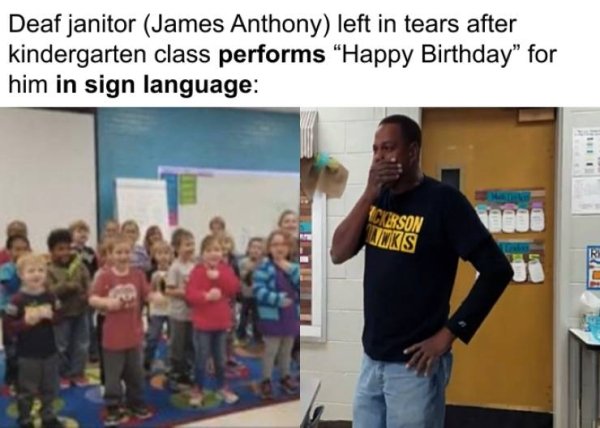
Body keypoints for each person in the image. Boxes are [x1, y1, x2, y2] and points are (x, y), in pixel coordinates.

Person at [329, 115, 513, 428]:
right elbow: (338, 252)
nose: (379, 157)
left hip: (414, 368)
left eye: (388, 148)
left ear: (412, 151)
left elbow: (497, 270)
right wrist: (368, 194)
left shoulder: (444, 202)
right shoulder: (377, 201)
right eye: (375, 150)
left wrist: (450, 333)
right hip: (371, 361)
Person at [89, 234, 163, 426]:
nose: (123, 256)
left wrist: (155, 297)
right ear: (110, 255)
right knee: (113, 376)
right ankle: (113, 405)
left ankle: (136, 402)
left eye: (126, 252)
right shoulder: (105, 276)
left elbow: (146, 293)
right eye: (118, 252)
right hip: (112, 337)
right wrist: (107, 302)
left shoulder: (137, 275)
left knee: (135, 373)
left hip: (134, 334)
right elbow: (92, 298)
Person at [4, 253, 63, 428]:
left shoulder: (50, 296)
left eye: (41, 270)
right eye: (31, 271)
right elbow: (8, 327)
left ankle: (48, 415)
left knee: (50, 387)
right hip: (27, 354)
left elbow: (60, 317)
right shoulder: (17, 300)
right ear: (21, 275)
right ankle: (25, 417)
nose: (36, 274)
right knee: (27, 389)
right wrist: (25, 323)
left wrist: (52, 317)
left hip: (49, 351)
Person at [186, 235, 240, 406]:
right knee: (201, 358)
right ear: (202, 253)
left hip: (221, 323)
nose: (213, 254)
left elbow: (233, 288)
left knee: (220, 358)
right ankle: (198, 388)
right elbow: (190, 295)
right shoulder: (197, 271)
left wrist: (218, 276)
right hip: (202, 324)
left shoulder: (225, 269)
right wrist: (206, 296)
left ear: (222, 252)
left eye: (216, 250)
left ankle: (222, 386)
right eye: (208, 250)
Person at [253, 230, 300, 399]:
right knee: (271, 351)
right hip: (272, 316)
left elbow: (303, 288)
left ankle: (285, 376)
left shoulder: (294, 267)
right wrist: (276, 299)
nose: (279, 248)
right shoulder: (264, 267)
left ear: (288, 247)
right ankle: (265, 379)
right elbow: (258, 291)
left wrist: (290, 270)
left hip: (290, 316)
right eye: (275, 244)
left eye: (283, 244)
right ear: (269, 248)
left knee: (286, 350)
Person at [46, 229, 91, 388]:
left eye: (68, 248)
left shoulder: (79, 265)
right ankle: (63, 374)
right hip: (61, 315)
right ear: (51, 251)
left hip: (81, 311)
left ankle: (77, 373)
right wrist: (68, 286)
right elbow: (49, 291)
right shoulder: (49, 270)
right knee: (61, 345)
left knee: (82, 343)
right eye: (60, 249)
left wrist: (88, 293)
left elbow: (88, 282)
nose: (65, 252)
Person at [0, 235, 31, 394]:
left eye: (24, 249)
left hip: (27, 313)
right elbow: (10, 285)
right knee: (12, 349)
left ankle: (26, 379)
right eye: (17, 249)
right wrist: (21, 270)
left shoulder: (31, 268)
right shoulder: (6, 269)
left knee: (26, 348)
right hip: (9, 313)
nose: (21, 252)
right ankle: (11, 379)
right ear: (9, 251)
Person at [165, 229, 196, 389]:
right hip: (178, 315)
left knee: (191, 343)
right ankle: (175, 372)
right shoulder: (175, 268)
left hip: (193, 314)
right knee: (177, 344)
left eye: (192, 244)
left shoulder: (194, 265)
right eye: (187, 244)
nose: (190, 248)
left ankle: (188, 371)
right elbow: (169, 290)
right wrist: (186, 293)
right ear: (177, 247)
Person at [69, 220, 100, 363]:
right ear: (71, 234)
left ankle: (92, 351)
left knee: (89, 322)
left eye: (85, 231)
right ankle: (75, 352)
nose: (82, 234)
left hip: (89, 289)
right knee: (78, 324)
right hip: (74, 291)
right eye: (78, 231)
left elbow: (94, 268)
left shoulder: (90, 252)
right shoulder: (68, 251)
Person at [144, 240, 172, 372]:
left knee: (173, 339)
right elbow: (148, 291)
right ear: (154, 255)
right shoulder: (151, 272)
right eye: (159, 253)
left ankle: (171, 363)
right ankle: (146, 362)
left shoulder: (174, 270)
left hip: (172, 310)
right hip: (156, 310)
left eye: (166, 253)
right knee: (153, 337)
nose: (163, 256)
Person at [237, 237, 265, 344]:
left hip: (258, 295)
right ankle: (241, 335)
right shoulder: (243, 262)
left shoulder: (264, 263)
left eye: (259, 248)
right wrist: (250, 269)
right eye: (253, 247)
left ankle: (257, 337)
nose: (255, 250)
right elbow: (243, 277)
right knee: (243, 315)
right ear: (248, 249)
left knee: (257, 317)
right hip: (245, 294)